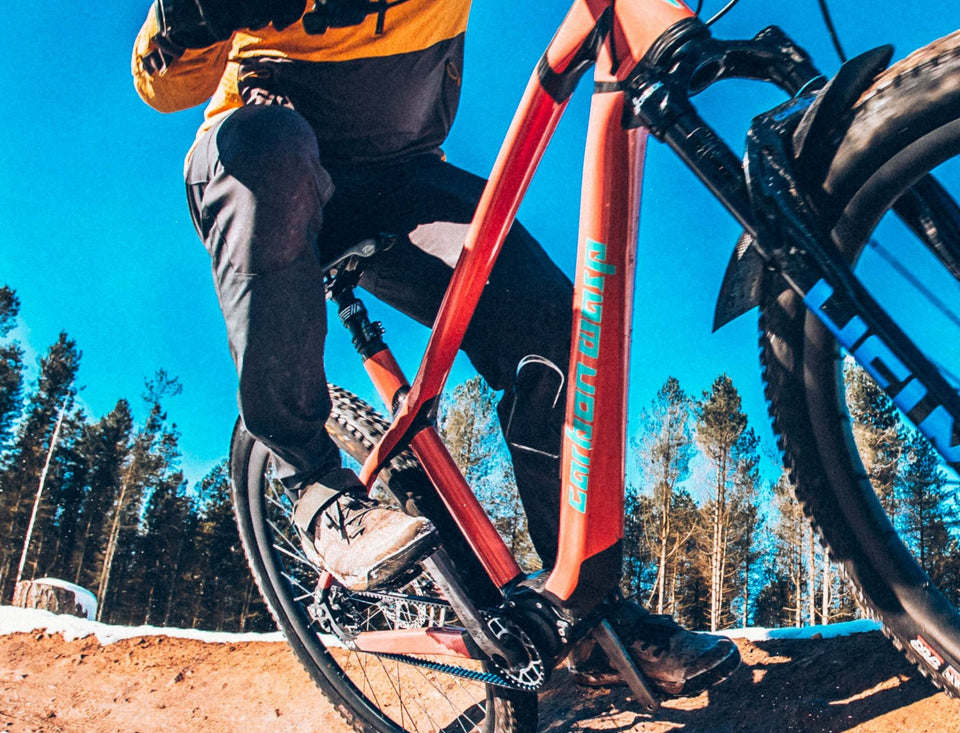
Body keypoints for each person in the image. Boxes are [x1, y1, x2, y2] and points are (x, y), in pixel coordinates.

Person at [132, 0, 741, 696]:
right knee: (270, 145)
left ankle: (591, 611)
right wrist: (188, 14)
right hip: (260, 158)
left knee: (550, 325)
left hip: (398, 177)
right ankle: (312, 486)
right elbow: (159, 84)